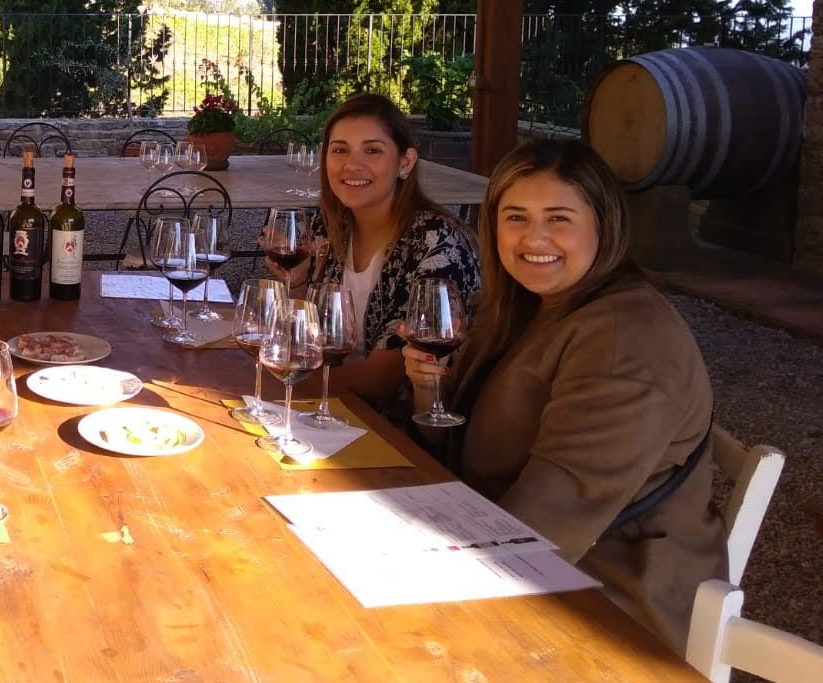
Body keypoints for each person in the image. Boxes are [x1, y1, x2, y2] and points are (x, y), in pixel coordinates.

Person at [402, 138, 724, 651]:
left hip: (604, 608)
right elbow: (446, 444)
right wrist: (428, 386)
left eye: (558, 218)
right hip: (492, 542)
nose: (534, 237)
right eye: (516, 217)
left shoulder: (625, 342)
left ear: (603, 224)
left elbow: (538, 533)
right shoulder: (521, 305)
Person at [266, 93, 480, 424]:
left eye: (372, 151)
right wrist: (297, 284)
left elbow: (384, 378)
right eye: (340, 150)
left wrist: (274, 388)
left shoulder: (437, 241)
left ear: (405, 162)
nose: (352, 165)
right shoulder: (328, 227)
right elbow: (309, 340)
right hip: (327, 414)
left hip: (397, 429)